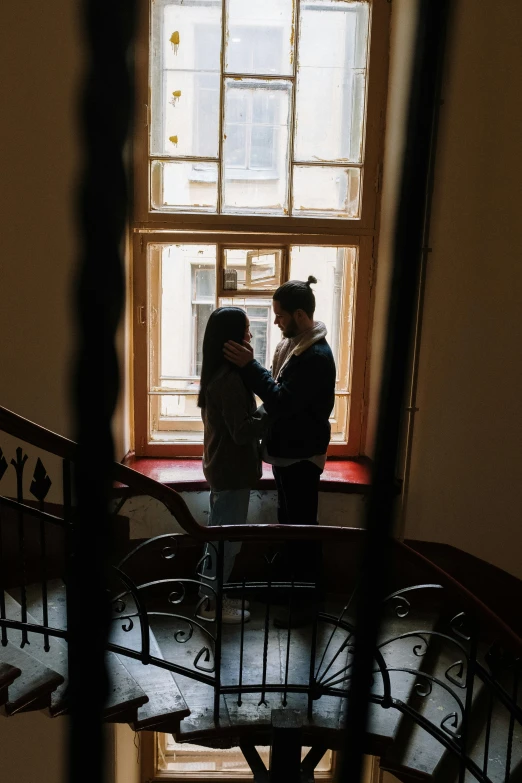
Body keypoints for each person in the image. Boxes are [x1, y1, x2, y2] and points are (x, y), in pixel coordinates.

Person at [223, 276, 336, 627]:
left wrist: (249, 367)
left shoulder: (314, 355)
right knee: (293, 525)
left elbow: (283, 401)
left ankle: (306, 605)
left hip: (301, 455)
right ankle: (292, 591)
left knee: (302, 530)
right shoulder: (299, 345)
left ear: (300, 315)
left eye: (280, 316)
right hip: (291, 451)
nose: (275, 322)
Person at [197, 307, 266, 624]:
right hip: (231, 471)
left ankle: (214, 597)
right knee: (225, 544)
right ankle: (210, 605)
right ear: (232, 340)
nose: (250, 336)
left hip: (224, 469)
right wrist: (272, 409)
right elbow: (241, 431)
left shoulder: (220, 375)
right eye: (247, 330)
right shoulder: (228, 381)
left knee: (220, 539)